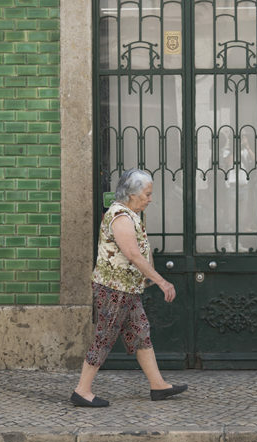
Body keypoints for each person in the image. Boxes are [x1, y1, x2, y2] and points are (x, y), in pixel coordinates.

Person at [70, 169, 188, 407]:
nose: (150, 199)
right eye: (147, 194)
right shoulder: (120, 216)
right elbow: (133, 254)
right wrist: (161, 281)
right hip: (114, 290)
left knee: (141, 333)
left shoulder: (131, 214)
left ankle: (158, 385)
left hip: (128, 290)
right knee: (104, 337)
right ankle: (82, 391)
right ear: (132, 194)